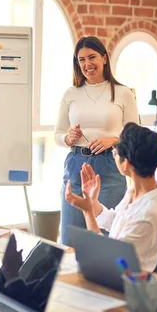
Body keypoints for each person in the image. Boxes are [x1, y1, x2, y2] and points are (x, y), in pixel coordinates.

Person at [55, 36, 140, 245]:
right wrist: (68, 138)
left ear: (104, 58)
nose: (87, 64)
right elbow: (57, 135)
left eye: (92, 57)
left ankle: (102, 276)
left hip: (110, 167)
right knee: (70, 238)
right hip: (76, 165)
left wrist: (114, 139)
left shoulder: (123, 93)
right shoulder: (70, 94)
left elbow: (135, 134)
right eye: (81, 60)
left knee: (107, 236)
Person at [65, 123, 157, 272]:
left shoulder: (149, 213)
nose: (114, 155)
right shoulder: (135, 193)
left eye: (115, 153)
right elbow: (117, 222)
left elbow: (110, 260)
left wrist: (87, 211)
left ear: (126, 164)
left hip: (123, 283)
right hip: (111, 271)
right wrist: (93, 203)